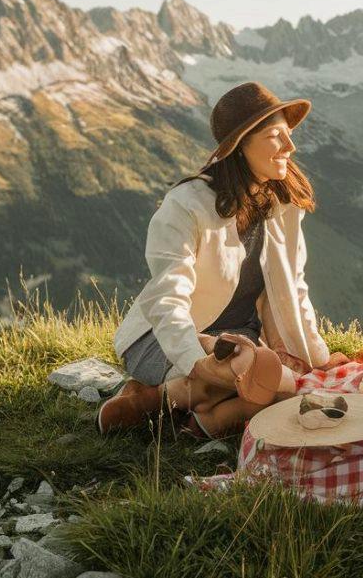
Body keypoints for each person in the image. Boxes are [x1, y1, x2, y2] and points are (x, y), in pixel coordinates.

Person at [99, 81, 349, 438]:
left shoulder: (282, 204)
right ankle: (165, 400)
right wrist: (196, 363)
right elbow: (167, 298)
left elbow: (294, 285)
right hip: (167, 337)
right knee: (256, 374)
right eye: (276, 135)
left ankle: (186, 417)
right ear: (240, 144)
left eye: (288, 134)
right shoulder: (186, 205)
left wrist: (318, 357)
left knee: (286, 386)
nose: (290, 146)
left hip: (236, 340)